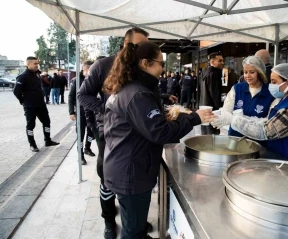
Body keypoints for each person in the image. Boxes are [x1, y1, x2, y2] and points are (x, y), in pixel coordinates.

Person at [102, 42, 214, 239]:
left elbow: (141, 123)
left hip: (124, 165)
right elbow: (161, 133)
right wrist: (194, 117)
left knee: (133, 223)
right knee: (132, 231)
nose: (163, 69)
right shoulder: (138, 93)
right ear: (145, 63)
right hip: (131, 172)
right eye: (160, 63)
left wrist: (164, 116)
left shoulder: (129, 88)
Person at [78, 27, 151, 239]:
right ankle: (109, 220)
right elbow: (83, 95)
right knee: (107, 178)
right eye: (138, 45)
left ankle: (133, 221)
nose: (142, 50)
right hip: (108, 132)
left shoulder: (142, 67)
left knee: (132, 180)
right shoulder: (103, 65)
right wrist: (106, 110)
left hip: (138, 132)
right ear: (125, 44)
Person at [212, 63, 288, 167]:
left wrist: (233, 120)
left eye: (274, 82)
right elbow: (268, 121)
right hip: (285, 159)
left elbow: (264, 131)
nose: (271, 86)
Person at [221, 56, 275, 137]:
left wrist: (242, 121)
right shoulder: (237, 89)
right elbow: (226, 112)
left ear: (260, 73)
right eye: (245, 72)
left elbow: (269, 122)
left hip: (256, 140)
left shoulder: (270, 93)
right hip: (235, 137)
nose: (248, 76)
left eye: (252, 72)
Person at [13, 57, 59, 152]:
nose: (37, 65)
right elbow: (16, 91)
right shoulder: (22, 76)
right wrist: (23, 101)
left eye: (37, 63)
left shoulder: (37, 74)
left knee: (46, 122)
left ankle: (48, 140)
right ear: (28, 64)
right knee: (30, 125)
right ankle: (32, 145)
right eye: (34, 63)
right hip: (30, 106)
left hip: (41, 105)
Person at [68, 61, 96, 165]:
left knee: (91, 132)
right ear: (86, 69)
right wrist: (71, 112)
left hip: (91, 111)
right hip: (80, 112)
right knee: (80, 135)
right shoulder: (77, 80)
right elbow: (71, 96)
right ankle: (80, 156)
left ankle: (87, 148)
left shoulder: (93, 79)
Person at [199, 52, 224, 135]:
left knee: (205, 133)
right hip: (212, 109)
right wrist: (220, 108)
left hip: (203, 106)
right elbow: (215, 93)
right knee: (212, 135)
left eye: (223, 60)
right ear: (212, 62)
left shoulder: (204, 73)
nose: (222, 63)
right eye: (219, 61)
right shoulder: (215, 73)